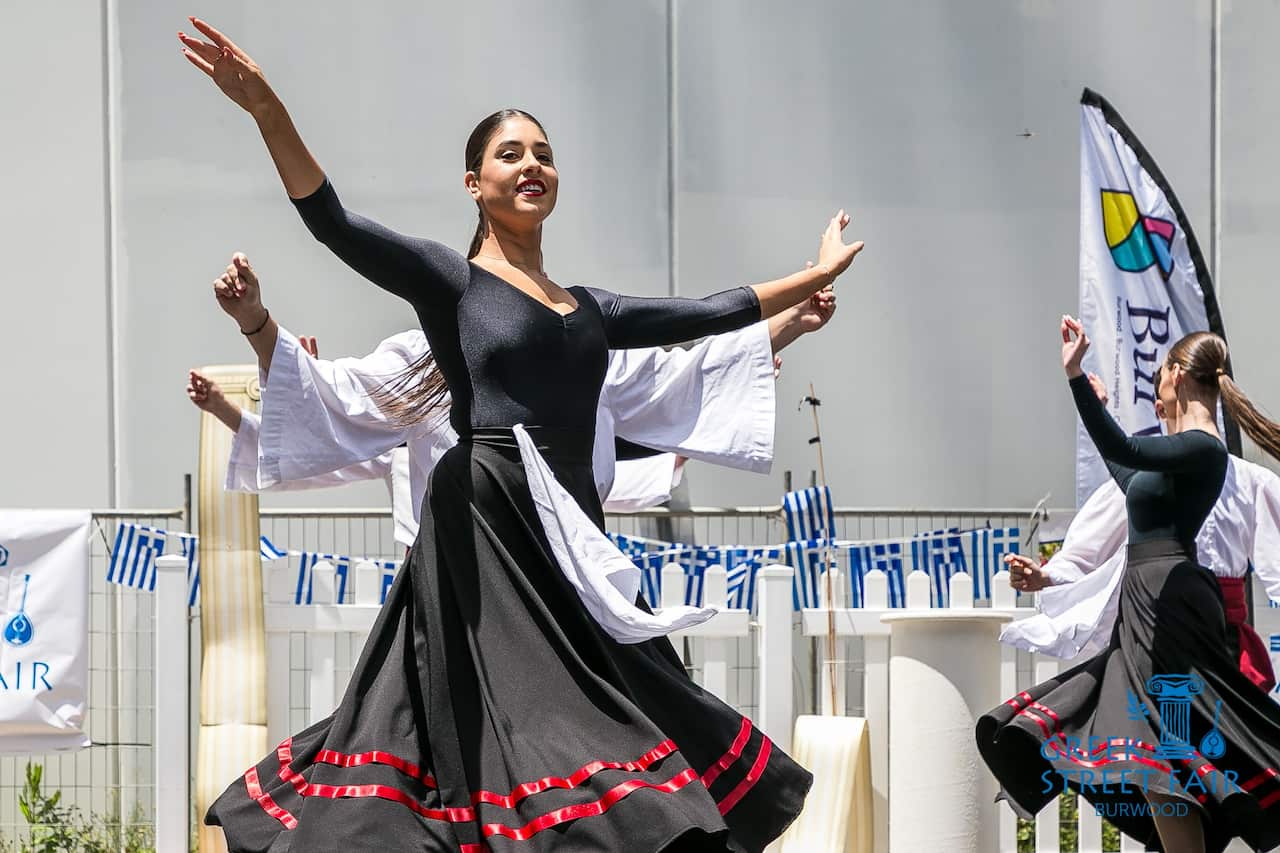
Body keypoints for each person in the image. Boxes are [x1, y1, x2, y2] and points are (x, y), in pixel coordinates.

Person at [180, 18, 862, 851]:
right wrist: (266, 109)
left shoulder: (592, 309)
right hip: (486, 525)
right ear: (473, 183)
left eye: (542, 152)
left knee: (628, 709)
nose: (531, 164)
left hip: (570, 534)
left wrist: (814, 274)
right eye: (510, 154)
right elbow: (335, 224)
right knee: (502, 726)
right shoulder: (452, 281)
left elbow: (713, 310)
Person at [204, 252, 837, 548]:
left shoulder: (567, 347)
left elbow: (674, 371)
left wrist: (788, 322)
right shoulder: (415, 362)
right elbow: (335, 402)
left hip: (563, 564)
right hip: (460, 575)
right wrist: (258, 325)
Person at [977, 320, 1280, 853]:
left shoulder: (1203, 447)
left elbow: (1125, 448)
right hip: (1149, 600)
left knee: (1161, 741)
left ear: (1177, 374)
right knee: (1156, 747)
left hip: (1170, 602)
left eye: (1161, 372)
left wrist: (1075, 379)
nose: (1157, 385)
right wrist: (1091, 401)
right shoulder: (1179, 456)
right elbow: (1126, 471)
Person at [1001, 371, 1280, 692]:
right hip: (1157, 633)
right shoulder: (1144, 484)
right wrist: (1045, 577)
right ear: (1160, 410)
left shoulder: (1249, 479)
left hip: (1221, 639)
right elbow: (1085, 553)